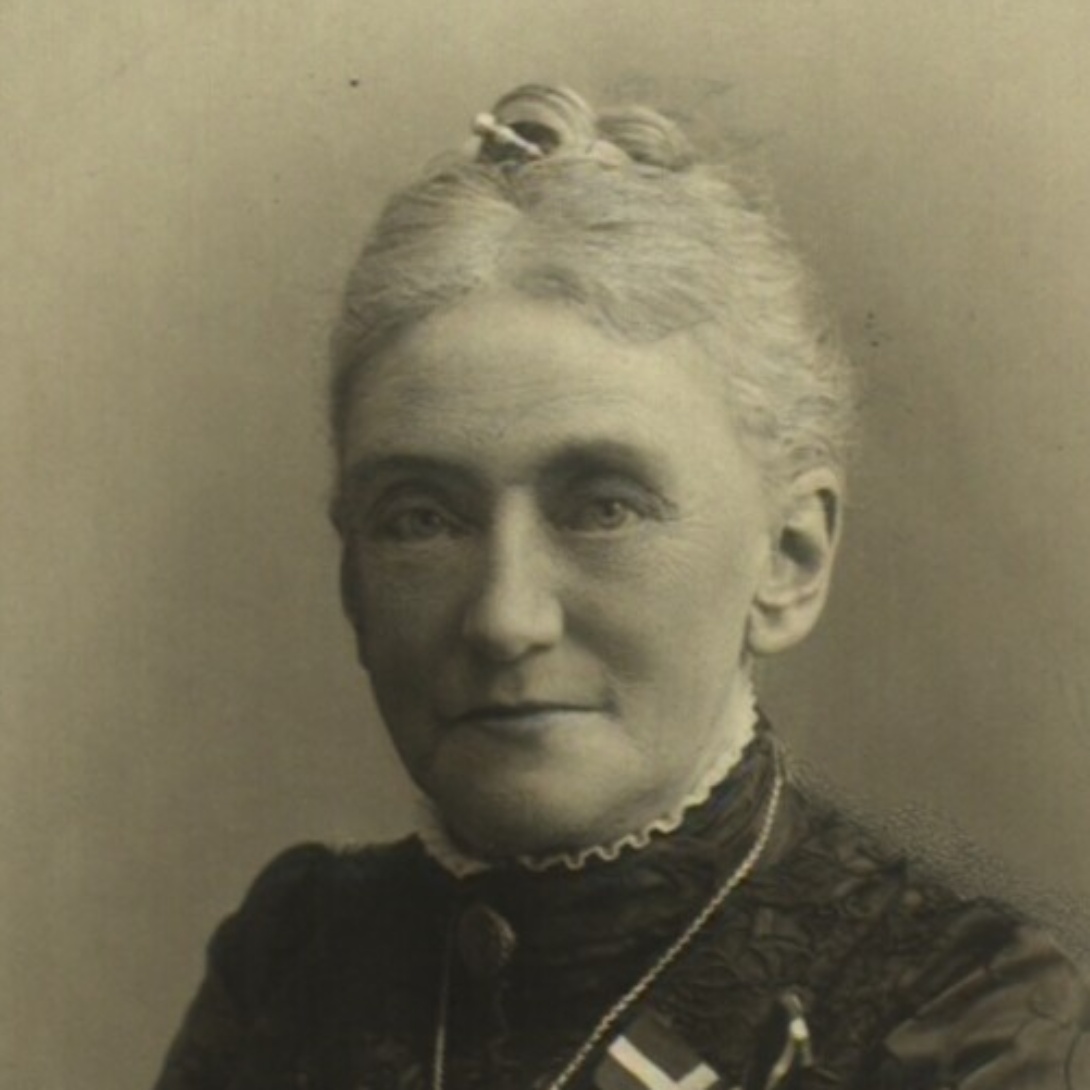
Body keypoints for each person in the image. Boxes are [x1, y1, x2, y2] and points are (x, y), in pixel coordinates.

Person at [154, 84, 1089, 1090]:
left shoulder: (959, 1012)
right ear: (351, 577)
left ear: (789, 557)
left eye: (603, 507)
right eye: (420, 518)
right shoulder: (293, 961)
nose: (504, 618)